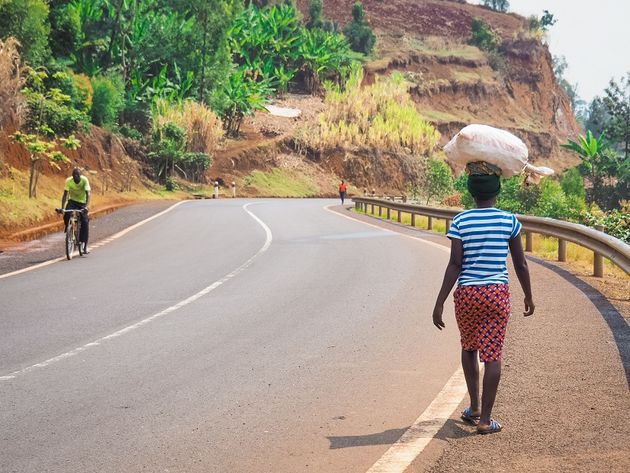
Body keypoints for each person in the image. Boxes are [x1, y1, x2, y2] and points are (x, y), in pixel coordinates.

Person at [431, 169, 534, 435]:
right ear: (497, 191)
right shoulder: (508, 220)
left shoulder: (460, 221)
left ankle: (474, 407)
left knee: (469, 347)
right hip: (496, 294)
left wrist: (440, 301)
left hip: (467, 294)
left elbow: (455, 264)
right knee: (493, 355)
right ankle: (486, 421)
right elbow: (520, 263)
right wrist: (528, 294)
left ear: (472, 193)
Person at [60, 167, 91, 254]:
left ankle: (84, 244)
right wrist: (62, 208)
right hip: (72, 201)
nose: (75, 177)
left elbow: (88, 194)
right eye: (74, 175)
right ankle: (68, 228)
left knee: (85, 222)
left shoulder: (84, 180)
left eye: (77, 175)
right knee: (66, 214)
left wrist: (87, 207)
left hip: (82, 202)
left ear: (80, 176)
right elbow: (65, 194)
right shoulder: (68, 181)